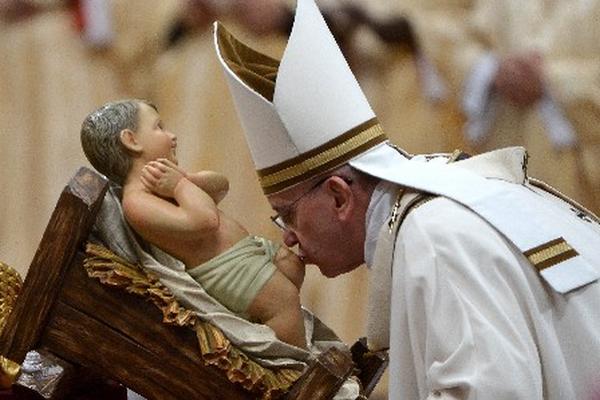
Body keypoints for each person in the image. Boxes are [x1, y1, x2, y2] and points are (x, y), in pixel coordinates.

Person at [214, 0, 600, 399]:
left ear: (339, 196)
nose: (288, 239)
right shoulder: (447, 203)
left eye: (287, 216)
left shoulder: (435, 235)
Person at [80, 99, 307, 349]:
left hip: (245, 251)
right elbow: (206, 221)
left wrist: (185, 179)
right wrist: (180, 186)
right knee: (284, 302)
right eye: (159, 127)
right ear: (131, 140)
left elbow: (221, 187)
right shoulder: (137, 202)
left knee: (291, 266)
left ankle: (266, 318)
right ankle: (294, 365)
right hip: (226, 269)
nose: (172, 136)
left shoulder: (166, 181)